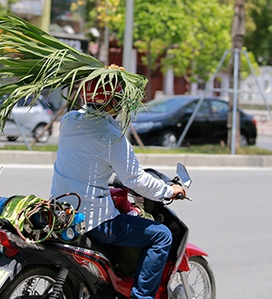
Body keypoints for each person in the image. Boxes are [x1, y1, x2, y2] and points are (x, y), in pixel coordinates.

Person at [50, 80, 186, 299]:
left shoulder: (69, 121)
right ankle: (142, 297)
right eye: (119, 100)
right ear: (113, 102)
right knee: (162, 236)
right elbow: (135, 179)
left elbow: (88, 161)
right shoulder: (113, 138)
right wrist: (169, 191)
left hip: (61, 212)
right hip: (96, 222)